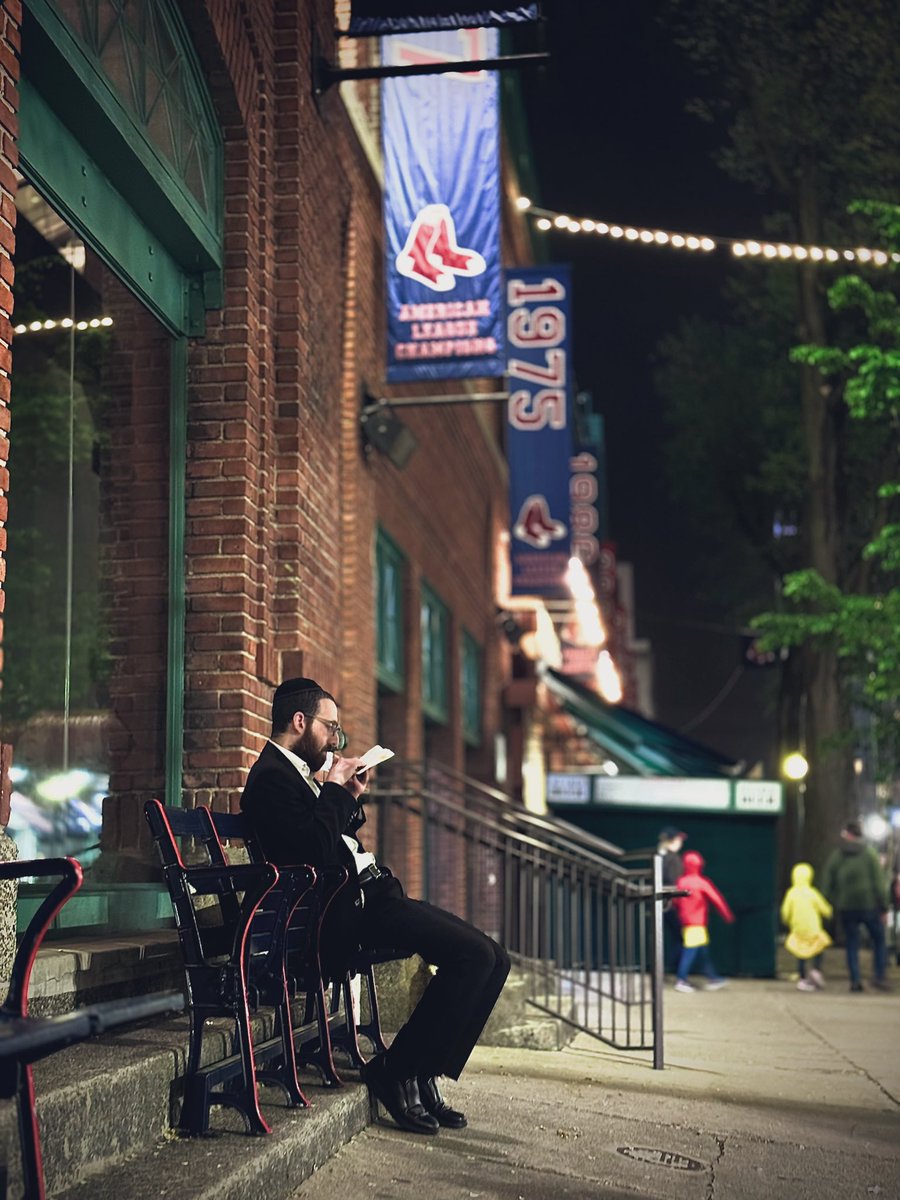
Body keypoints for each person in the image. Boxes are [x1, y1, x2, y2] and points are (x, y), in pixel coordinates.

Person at [240, 677, 510, 1135]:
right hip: (343, 915)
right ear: (300, 722)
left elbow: (334, 837)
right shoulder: (270, 778)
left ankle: (422, 1069)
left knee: (495, 958)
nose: (335, 739)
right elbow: (314, 852)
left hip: (372, 895)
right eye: (331, 727)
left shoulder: (301, 775)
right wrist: (337, 792)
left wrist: (349, 793)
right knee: (474, 956)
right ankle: (395, 1070)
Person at [822, 819, 891, 993]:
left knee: (852, 943)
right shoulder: (869, 854)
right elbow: (878, 881)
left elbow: (828, 879)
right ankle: (879, 975)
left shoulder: (838, 855)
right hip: (869, 905)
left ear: (847, 835)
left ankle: (855, 979)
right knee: (879, 939)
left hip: (846, 906)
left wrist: (828, 902)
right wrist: (883, 906)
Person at [671, 850, 735, 992]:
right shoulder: (701, 882)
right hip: (697, 922)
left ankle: (713, 977)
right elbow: (717, 899)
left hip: (685, 921)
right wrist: (727, 915)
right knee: (691, 951)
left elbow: (675, 901)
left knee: (701, 950)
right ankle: (681, 979)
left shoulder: (681, 882)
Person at [780, 862, 832, 991]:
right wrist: (829, 913)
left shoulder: (791, 893)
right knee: (818, 948)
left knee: (801, 953)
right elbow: (825, 909)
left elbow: (785, 912)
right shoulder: (812, 893)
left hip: (798, 930)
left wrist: (786, 921)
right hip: (813, 929)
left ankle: (802, 978)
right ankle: (816, 970)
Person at [657, 826, 687, 974]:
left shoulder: (660, 856)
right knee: (682, 939)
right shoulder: (672, 858)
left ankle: (671, 968)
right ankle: (676, 971)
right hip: (671, 903)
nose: (680, 842)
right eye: (678, 839)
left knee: (677, 938)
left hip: (664, 902)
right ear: (670, 841)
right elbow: (674, 881)